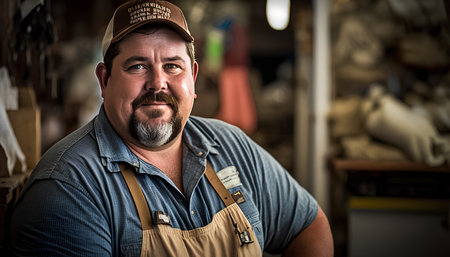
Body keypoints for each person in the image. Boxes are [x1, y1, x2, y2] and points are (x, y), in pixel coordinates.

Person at [9, 0, 333, 256]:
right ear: (104, 80)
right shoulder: (67, 188)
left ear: (192, 78)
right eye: (138, 66)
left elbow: (308, 226)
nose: (158, 83)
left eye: (172, 66)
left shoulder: (232, 146)